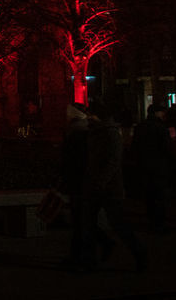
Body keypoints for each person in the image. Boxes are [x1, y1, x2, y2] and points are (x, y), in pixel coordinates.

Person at [84, 100, 148, 272]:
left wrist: (101, 181)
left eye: (91, 114)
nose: (88, 117)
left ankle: (139, 253)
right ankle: (97, 251)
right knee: (87, 222)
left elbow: (113, 162)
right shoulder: (95, 132)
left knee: (119, 224)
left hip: (109, 188)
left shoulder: (110, 134)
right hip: (96, 185)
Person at [58, 102, 111, 272]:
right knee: (82, 221)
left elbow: (75, 161)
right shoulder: (82, 130)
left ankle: (86, 256)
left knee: (82, 221)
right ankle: (82, 255)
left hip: (81, 182)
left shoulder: (79, 132)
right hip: (81, 182)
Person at [133, 103, 175, 232]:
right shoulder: (161, 128)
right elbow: (167, 148)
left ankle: (151, 219)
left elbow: (135, 146)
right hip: (159, 165)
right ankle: (160, 223)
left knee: (149, 194)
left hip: (145, 164)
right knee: (160, 195)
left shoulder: (141, 127)